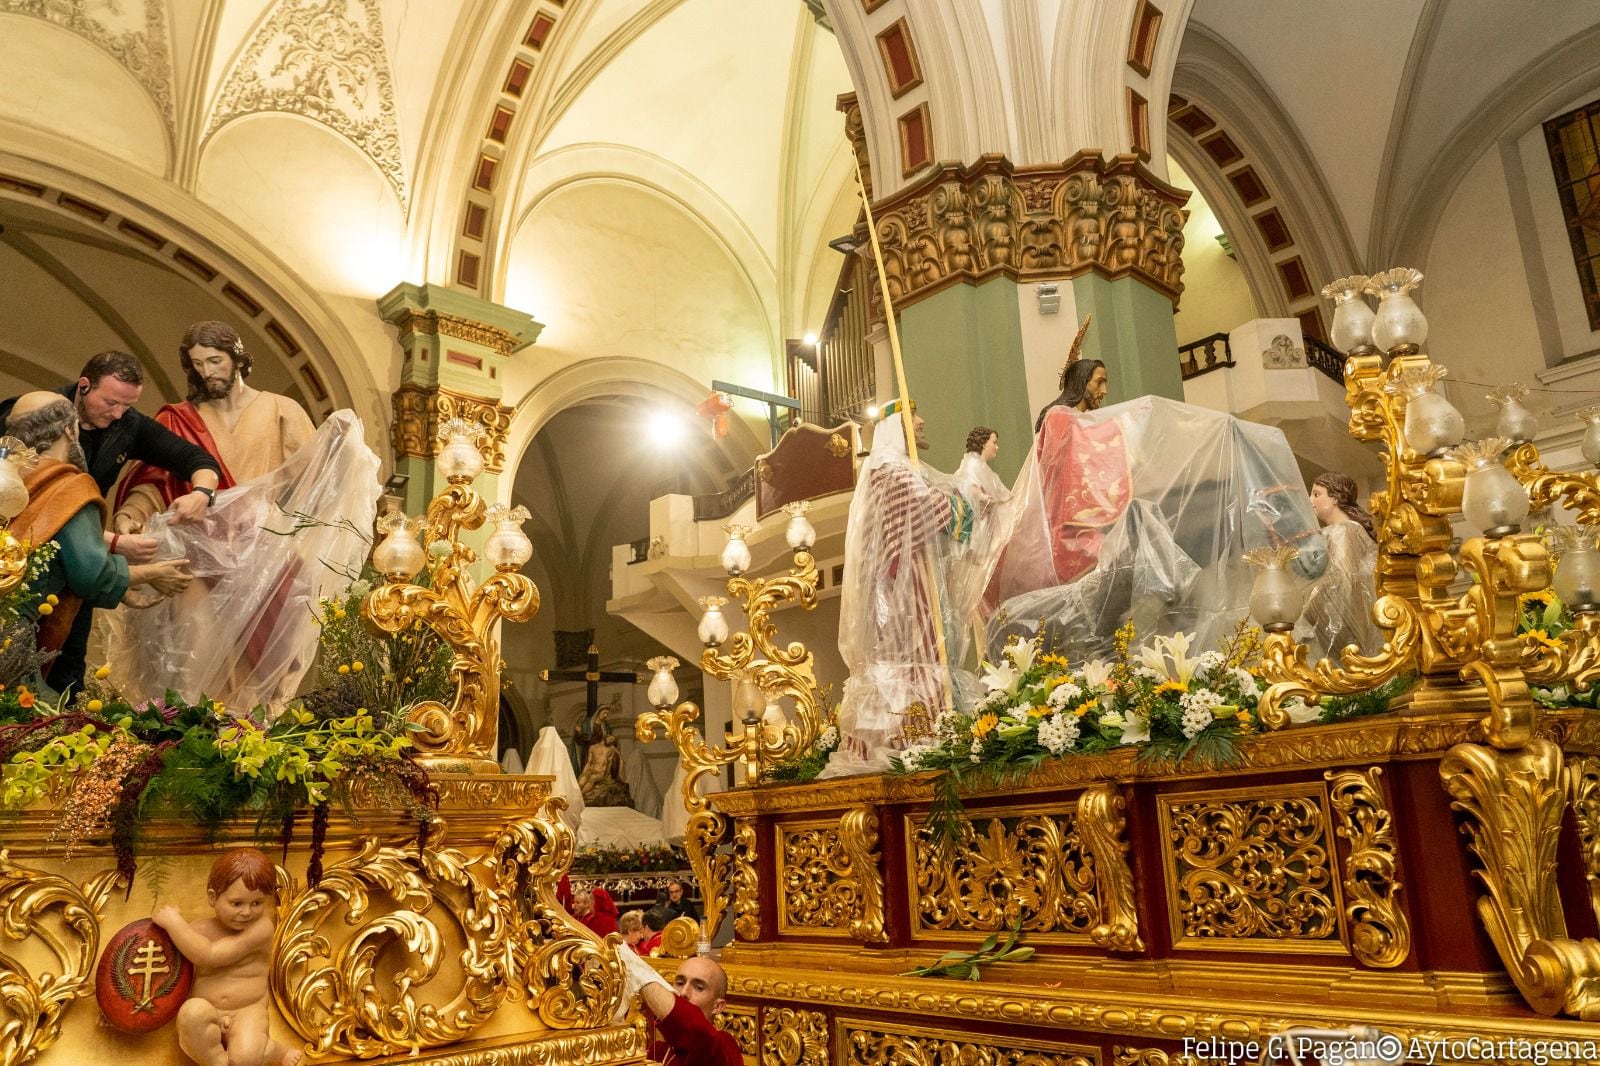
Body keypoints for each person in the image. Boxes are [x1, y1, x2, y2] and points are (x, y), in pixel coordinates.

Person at [0, 351, 220, 694]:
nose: (118, 414)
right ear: (82, 390)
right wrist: (143, 567)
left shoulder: (123, 425)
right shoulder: (58, 469)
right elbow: (90, 570)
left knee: (66, 665)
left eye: (126, 407)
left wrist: (203, 492)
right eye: (111, 402)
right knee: (35, 702)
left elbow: (194, 458)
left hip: (52, 583)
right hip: (25, 599)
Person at [824, 398, 973, 777]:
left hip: (912, 578)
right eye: (912, 416)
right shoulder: (890, 469)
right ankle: (913, 740)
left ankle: (928, 733)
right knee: (915, 657)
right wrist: (962, 504)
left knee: (928, 657)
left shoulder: (894, 469)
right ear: (895, 427)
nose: (921, 422)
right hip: (905, 589)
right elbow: (921, 505)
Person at [112, 321, 314, 531]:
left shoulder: (282, 410)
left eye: (215, 361)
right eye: (198, 364)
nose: (207, 372)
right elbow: (152, 484)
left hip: (267, 541)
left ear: (238, 360)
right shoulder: (178, 419)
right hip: (202, 545)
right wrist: (131, 513)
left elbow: (312, 483)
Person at [152, 847, 302, 1066]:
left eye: (257, 903)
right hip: (208, 1011)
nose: (247, 912)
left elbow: (210, 955)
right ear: (213, 898)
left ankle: (276, 1052)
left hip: (247, 1011)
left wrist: (174, 923)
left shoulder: (261, 929)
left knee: (246, 1058)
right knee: (191, 1013)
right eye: (236, 903)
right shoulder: (198, 930)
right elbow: (169, 967)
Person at [1297, 471, 1381, 659]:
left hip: (1347, 624)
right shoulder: (1341, 531)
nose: (1311, 500)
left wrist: (1304, 609)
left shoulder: (1344, 531)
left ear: (1335, 498)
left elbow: (1342, 581)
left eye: (1317, 494)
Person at [615, 949, 742, 1066]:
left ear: (717, 1006)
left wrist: (636, 970)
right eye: (680, 983)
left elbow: (693, 1027)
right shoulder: (658, 1050)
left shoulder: (723, 1046)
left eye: (698, 988)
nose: (684, 993)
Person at [954, 427, 1009, 512]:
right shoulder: (972, 464)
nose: (997, 447)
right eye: (994, 443)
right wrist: (985, 498)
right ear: (984, 444)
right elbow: (968, 488)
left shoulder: (982, 467)